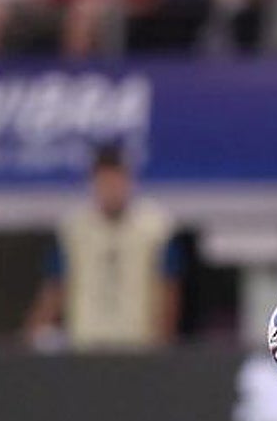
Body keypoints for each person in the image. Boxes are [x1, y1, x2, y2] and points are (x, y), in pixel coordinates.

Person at [23, 143, 182, 351]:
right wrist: (33, 333)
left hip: (137, 347)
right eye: (104, 182)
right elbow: (55, 289)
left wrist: (162, 344)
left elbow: (168, 291)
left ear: (129, 181)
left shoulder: (156, 228)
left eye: (117, 181)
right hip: (86, 346)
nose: (111, 190)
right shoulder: (73, 229)